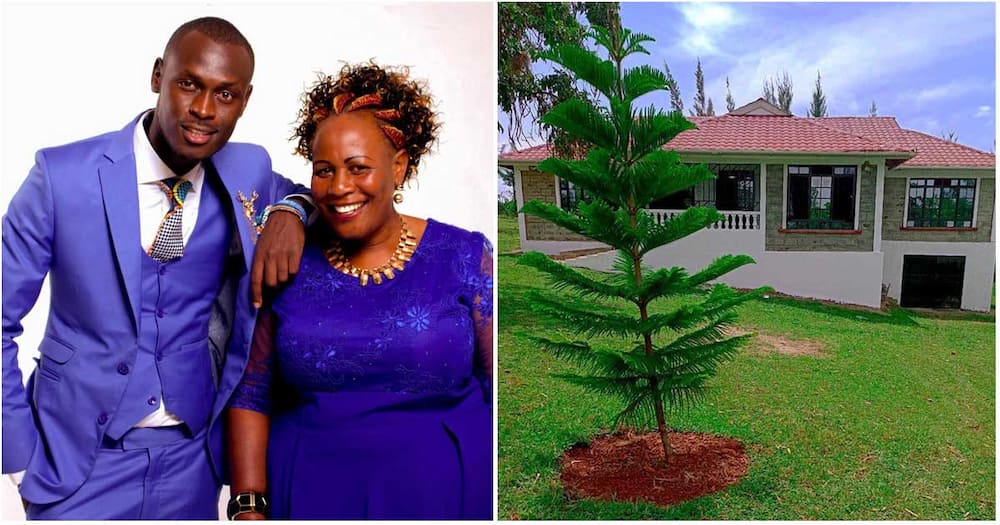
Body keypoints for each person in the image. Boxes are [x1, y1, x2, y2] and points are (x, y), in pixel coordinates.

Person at [2, 17, 310, 519]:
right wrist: (18, 457)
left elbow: (310, 194)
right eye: (189, 84)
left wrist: (292, 211)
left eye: (225, 94)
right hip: (78, 466)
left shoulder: (245, 169)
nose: (204, 111)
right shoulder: (62, 177)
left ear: (245, 100)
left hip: (193, 463)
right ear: (157, 76)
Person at [226, 63, 493, 520]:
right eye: (323, 170)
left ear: (399, 165)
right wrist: (248, 507)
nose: (339, 188)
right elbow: (251, 391)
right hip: (310, 495)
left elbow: (497, 382)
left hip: (444, 495)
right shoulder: (287, 259)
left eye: (358, 168)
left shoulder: (463, 255)